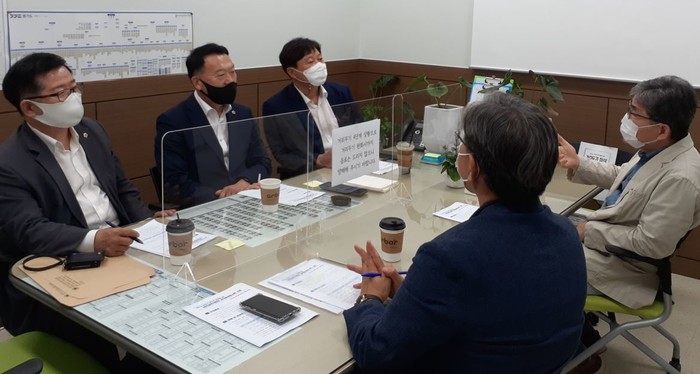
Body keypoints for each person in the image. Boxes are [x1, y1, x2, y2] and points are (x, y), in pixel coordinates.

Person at [344, 92, 587, 373]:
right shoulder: (566, 233)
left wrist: (370, 298)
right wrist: (413, 295)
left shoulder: (449, 256)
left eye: (462, 141)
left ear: (472, 165)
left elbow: (377, 353)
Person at [0, 52, 173, 370]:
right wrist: (94, 240)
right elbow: (29, 230)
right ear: (29, 108)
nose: (73, 97)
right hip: (66, 264)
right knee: (111, 344)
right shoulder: (10, 163)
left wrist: (146, 222)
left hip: (122, 247)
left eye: (74, 87)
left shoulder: (91, 130)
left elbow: (121, 186)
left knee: (173, 310)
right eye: (60, 93)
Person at [558, 76, 700, 345]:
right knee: (535, 229)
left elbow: (652, 244)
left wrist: (589, 231)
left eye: (634, 113)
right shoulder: (659, 148)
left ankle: (578, 347)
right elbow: (624, 177)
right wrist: (579, 163)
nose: (627, 118)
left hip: (624, 269)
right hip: (606, 243)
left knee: (530, 267)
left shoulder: (680, 177)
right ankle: (579, 330)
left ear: (661, 129)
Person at [155, 43, 271, 207]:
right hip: (205, 205)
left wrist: (244, 182)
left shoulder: (242, 113)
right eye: (221, 75)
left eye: (232, 72)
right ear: (198, 83)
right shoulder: (174, 121)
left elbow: (262, 161)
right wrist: (222, 196)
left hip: (247, 199)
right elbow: (175, 181)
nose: (230, 80)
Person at [263, 37, 361, 179]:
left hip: (349, 165)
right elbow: (282, 154)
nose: (319, 65)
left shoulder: (341, 92)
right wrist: (318, 160)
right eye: (310, 61)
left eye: (320, 59)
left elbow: (358, 126)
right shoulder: (277, 106)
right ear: (292, 72)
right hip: (309, 173)